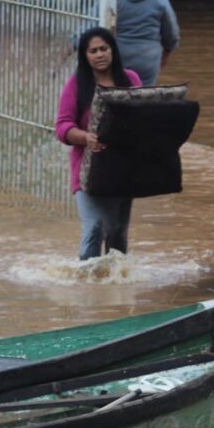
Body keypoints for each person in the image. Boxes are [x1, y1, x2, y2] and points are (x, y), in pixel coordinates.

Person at [55, 27, 142, 260]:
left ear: (113, 50)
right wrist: (85, 138)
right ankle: (86, 287)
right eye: (93, 51)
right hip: (86, 170)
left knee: (117, 234)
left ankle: (115, 288)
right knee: (94, 227)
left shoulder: (131, 79)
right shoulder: (76, 85)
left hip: (123, 170)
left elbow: (144, 117)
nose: (99, 54)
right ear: (85, 56)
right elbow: (62, 127)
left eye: (104, 48)